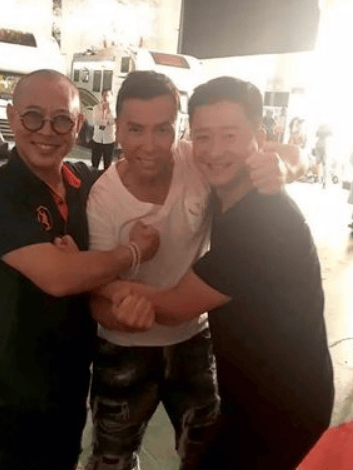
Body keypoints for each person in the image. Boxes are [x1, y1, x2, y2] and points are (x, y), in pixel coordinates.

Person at [107, 76, 334, 470]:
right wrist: (291, 161)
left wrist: (95, 278)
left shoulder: (261, 223)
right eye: (203, 137)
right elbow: (287, 152)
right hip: (250, 391)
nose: (214, 151)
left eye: (230, 136)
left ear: (257, 139)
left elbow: (175, 306)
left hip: (283, 407)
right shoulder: (229, 187)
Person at [0, 69, 159, 470]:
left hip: (68, 386)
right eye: (33, 116)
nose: (46, 131)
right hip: (4, 395)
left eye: (61, 119)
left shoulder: (85, 184)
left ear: (78, 125)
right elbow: (59, 277)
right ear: (12, 117)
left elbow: (146, 174)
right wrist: (133, 252)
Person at [91, 89, 115, 170]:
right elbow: (96, 121)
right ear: (101, 96)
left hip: (109, 140)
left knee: (107, 164)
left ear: (111, 97)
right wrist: (106, 122)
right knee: (94, 163)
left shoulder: (113, 109)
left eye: (107, 95)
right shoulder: (96, 107)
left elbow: (113, 121)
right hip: (97, 139)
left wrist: (109, 110)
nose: (105, 97)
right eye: (104, 95)